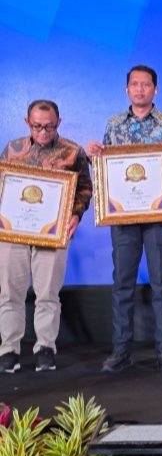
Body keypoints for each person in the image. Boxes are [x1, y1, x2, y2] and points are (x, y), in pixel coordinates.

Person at [87, 65, 162, 372]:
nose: (140, 89)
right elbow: (107, 171)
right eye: (134, 84)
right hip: (123, 217)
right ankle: (121, 351)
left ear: (155, 89)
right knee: (122, 284)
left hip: (160, 215)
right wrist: (94, 157)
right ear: (127, 89)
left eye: (146, 84)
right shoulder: (114, 124)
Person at [0, 100, 92, 373]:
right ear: (27, 123)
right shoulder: (12, 149)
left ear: (59, 123)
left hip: (53, 232)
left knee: (48, 294)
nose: (43, 132)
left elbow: (84, 189)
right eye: (37, 126)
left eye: (49, 127)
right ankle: (8, 350)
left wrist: (75, 215)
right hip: (14, 233)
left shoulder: (73, 152)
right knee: (9, 293)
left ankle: (45, 348)